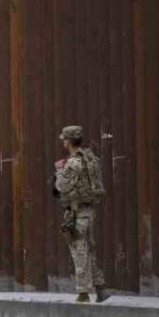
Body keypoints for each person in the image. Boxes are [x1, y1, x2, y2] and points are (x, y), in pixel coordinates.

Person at [54, 125, 110, 303]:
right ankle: (100, 288)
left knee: (79, 251)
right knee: (88, 251)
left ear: (69, 141)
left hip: (78, 212)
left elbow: (62, 186)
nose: (63, 141)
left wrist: (59, 171)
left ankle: (83, 293)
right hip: (89, 210)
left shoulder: (73, 162)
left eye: (64, 139)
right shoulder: (89, 158)